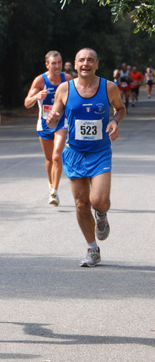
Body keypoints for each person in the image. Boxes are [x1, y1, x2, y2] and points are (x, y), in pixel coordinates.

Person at [47, 48, 126, 268]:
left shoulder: (108, 87)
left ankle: (101, 214)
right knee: (81, 204)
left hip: (100, 152)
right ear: (75, 63)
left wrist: (115, 121)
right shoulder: (65, 89)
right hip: (74, 153)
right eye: (81, 60)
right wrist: (52, 117)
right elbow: (53, 119)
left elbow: (120, 109)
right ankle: (92, 248)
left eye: (90, 60)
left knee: (97, 200)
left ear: (97, 64)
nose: (85, 63)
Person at [24, 51, 72, 206]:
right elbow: (26, 103)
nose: (57, 66)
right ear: (47, 65)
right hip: (44, 123)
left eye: (59, 63)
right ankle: (51, 185)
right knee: (49, 159)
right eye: (54, 63)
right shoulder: (40, 80)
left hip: (61, 122)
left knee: (57, 155)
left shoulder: (67, 79)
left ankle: (55, 192)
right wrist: (36, 97)